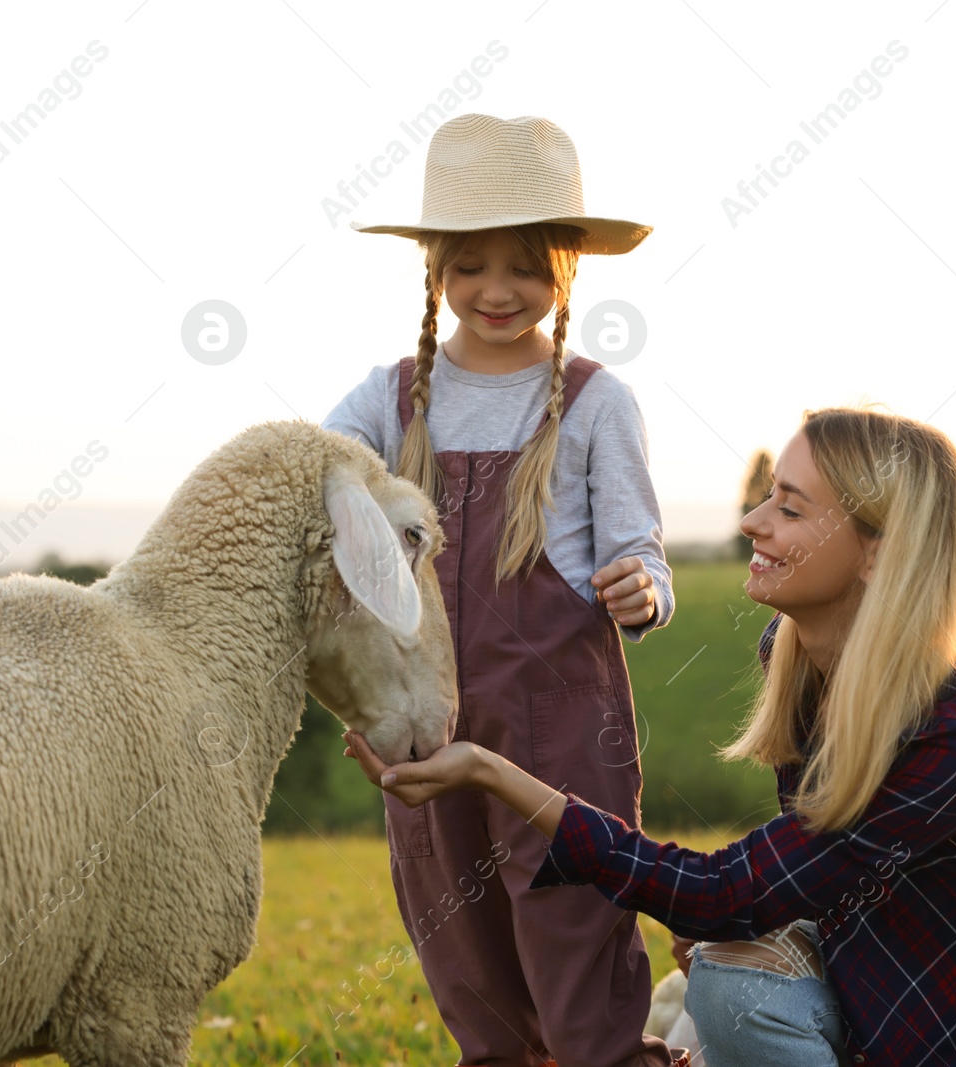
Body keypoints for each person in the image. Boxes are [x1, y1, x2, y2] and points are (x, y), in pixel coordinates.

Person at [346, 407, 956, 1067]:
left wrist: (495, 772)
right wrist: (744, 928)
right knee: (729, 981)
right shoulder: (803, 671)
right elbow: (792, 884)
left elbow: (727, 891)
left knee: (726, 936)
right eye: (766, 497)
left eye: (789, 507)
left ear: (873, 553)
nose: (753, 520)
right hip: (922, 1028)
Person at [322, 112, 678, 1066]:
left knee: (573, 944)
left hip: (564, 734)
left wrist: (642, 588)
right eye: (471, 264)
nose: (497, 290)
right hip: (426, 719)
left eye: (525, 266)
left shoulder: (599, 401)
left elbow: (645, 553)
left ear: (566, 269)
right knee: (462, 952)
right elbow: (310, 497)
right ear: (435, 267)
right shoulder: (386, 400)